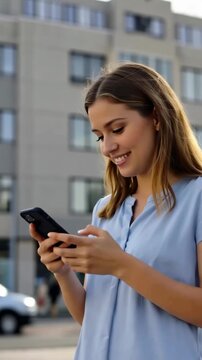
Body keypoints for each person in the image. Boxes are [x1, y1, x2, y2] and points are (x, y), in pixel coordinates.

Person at [29, 63, 202, 360]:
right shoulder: (105, 210)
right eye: (99, 136)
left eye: (117, 129)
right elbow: (93, 319)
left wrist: (121, 265)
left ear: (157, 117)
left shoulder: (197, 198)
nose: (107, 147)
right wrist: (63, 272)